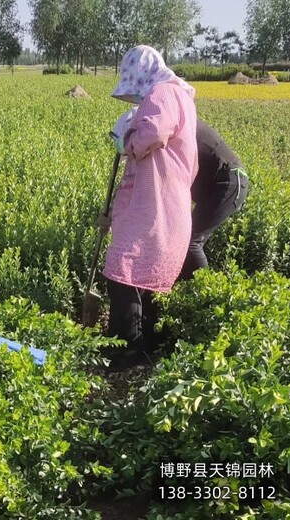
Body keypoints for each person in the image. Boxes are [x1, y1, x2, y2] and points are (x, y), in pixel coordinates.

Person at [101, 45, 198, 370]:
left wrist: (127, 138)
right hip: (162, 204)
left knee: (123, 273)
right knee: (144, 276)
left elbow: (153, 132)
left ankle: (127, 356)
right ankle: (148, 351)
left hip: (153, 205)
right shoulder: (178, 95)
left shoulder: (163, 92)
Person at [179, 120, 249, 279]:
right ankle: (185, 291)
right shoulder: (179, 121)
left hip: (229, 182)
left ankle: (207, 291)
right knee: (184, 238)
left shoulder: (180, 127)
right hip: (216, 184)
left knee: (191, 241)